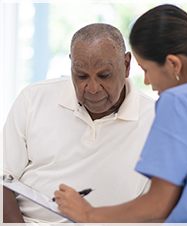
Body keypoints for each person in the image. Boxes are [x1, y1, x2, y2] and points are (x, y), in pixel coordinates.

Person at [54, 4, 187, 223]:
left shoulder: (179, 101)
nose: (146, 81)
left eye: (146, 69)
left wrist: (88, 214)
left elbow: (157, 206)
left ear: (173, 64)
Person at [2, 23, 155, 223]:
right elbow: (3, 179)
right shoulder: (33, 98)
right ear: (71, 65)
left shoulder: (156, 120)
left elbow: (157, 209)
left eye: (104, 75)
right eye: (81, 75)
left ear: (126, 65)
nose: (92, 88)